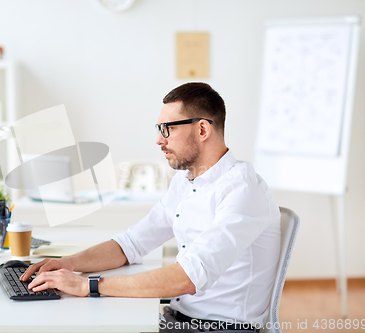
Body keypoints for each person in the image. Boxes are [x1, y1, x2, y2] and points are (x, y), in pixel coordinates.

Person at [20, 82, 280, 332]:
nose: (158, 139)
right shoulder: (186, 180)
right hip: (179, 319)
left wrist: (88, 285)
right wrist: (69, 263)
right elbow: (132, 242)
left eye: (167, 128)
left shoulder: (243, 190)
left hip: (219, 328)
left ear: (202, 130)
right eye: (158, 128)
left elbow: (187, 277)